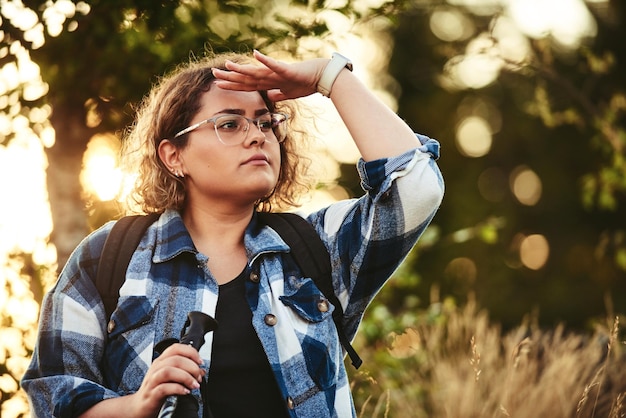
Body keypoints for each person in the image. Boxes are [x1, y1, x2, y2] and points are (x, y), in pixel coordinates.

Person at [21, 50, 444, 417]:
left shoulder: (316, 248)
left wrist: (328, 78)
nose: (257, 136)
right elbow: (54, 397)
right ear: (173, 156)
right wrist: (136, 405)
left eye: (265, 123)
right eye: (229, 124)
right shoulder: (108, 257)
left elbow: (415, 186)